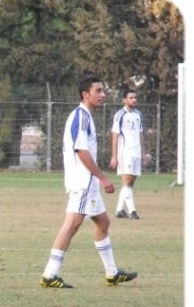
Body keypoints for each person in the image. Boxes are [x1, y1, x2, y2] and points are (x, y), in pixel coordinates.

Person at [39, 76, 137, 289]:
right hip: (83, 182)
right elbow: (81, 150)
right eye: (98, 91)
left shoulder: (85, 116)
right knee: (71, 225)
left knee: (103, 223)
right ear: (86, 95)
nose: (103, 95)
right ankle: (50, 274)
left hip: (88, 184)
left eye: (103, 91)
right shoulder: (81, 116)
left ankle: (112, 273)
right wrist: (102, 178)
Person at [109, 89, 145, 219]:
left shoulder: (138, 115)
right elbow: (115, 136)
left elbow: (140, 134)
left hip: (136, 153)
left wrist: (143, 153)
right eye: (131, 98)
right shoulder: (120, 115)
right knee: (127, 181)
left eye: (135, 97)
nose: (134, 100)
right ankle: (132, 211)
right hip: (125, 153)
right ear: (124, 100)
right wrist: (114, 156)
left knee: (130, 183)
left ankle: (119, 210)